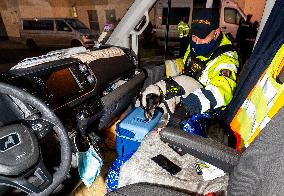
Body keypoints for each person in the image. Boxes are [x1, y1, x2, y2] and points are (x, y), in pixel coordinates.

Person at [167, 9, 239, 128]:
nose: (197, 41)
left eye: (202, 37)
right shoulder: (193, 44)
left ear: (216, 33)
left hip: (208, 114)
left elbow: (222, 91)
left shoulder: (226, 58)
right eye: (194, 36)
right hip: (186, 98)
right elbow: (186, 66)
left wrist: (189, 106)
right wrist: (162, 71)